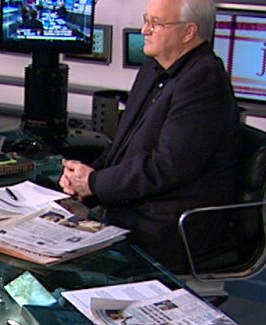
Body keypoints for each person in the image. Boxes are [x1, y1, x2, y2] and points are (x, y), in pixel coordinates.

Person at [59, 0, 240, 272]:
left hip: (168, 225)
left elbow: (167, 167)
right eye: (146, 20)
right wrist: (84, 177)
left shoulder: (204, 82)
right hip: (136, 207)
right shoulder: (154, 68)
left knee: (71, 269)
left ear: (188, 32)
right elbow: (122, 146)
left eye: (156, 24)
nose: (145, 30)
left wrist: (95, 183)